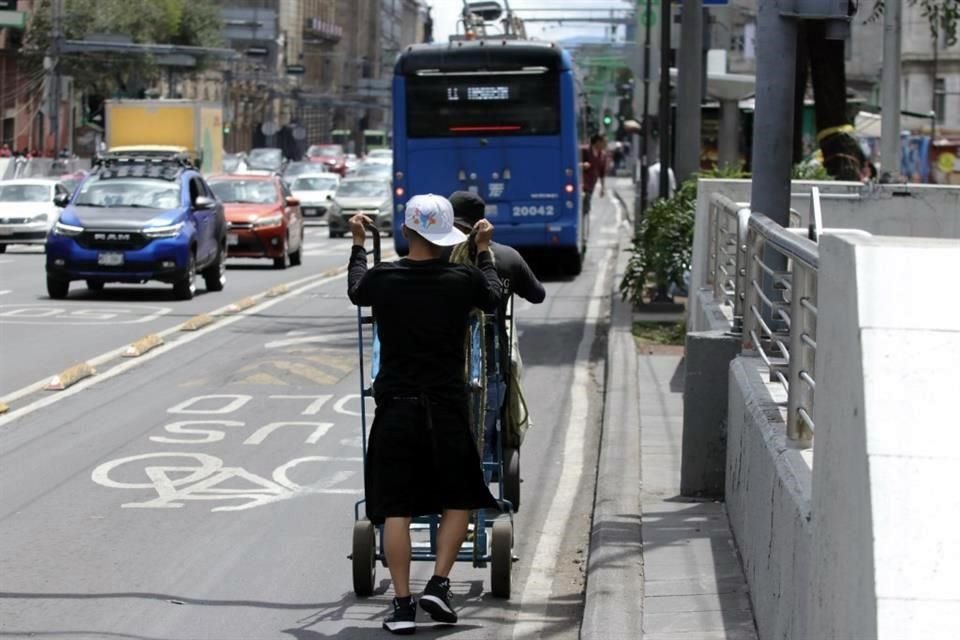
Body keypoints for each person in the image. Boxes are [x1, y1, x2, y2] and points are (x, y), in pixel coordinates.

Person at [347, 194, 502, 635]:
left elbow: (356, 288)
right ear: (447, 235)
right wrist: (485, 250)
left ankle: (400, 604)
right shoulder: (462, 278)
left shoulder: (384, 278)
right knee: (461, 497)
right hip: (446, 408)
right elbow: (491, 296)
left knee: (396, 508)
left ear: (407, 231)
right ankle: (438, 582)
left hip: (395, 409)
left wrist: (359, 243)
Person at [446, 191, 546, 481]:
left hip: (444, 365)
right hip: (491, 363)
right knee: (484, 429)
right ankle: (480, 482)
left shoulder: (437, 256)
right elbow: (537, 294)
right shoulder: (506, 256)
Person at [581, 133, 607, 215]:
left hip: (591, 183)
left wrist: (603, 188)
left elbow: (602, 173)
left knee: (586, 204)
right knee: (585, 204)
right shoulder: (584, 150)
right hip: (580, 182)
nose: (605, 145)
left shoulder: (602, 155)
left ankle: (584, 223)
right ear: (598, 142)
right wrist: (581, 165)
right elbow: (571, 163)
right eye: (604, 142)